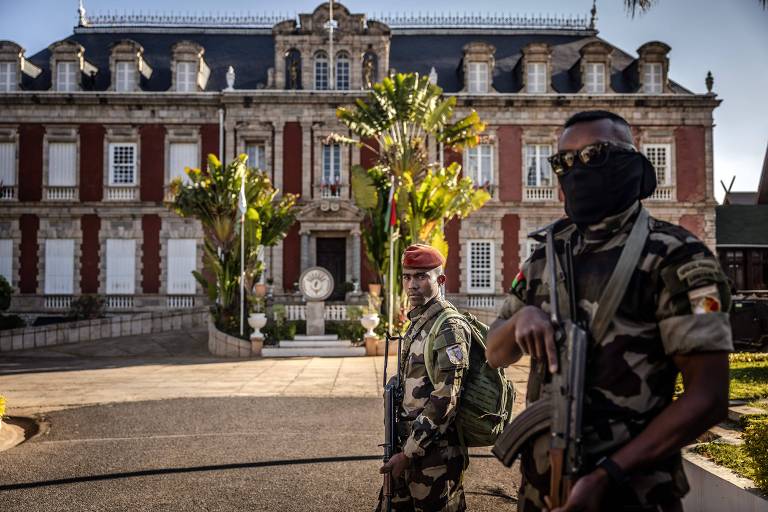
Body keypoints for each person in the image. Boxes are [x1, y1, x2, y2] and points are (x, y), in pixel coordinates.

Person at [485, 110, 733, 512]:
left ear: (629, 161)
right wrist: (518, 321)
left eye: (593, 155)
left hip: (632, 494)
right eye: (563, 161)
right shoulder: (545, 258)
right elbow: (494, 353)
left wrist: (608, 475)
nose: (576, 169)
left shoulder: (677, 258)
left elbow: (709, 397)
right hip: (542, 490)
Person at [377, 244, 471, 512]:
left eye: (421, 276)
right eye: (407, 277)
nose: (412, 285)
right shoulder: (420, 322)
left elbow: (446, 399)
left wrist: (408, 453)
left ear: (440, 280)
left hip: (435, 457)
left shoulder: (448, 327)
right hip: (407, 449)